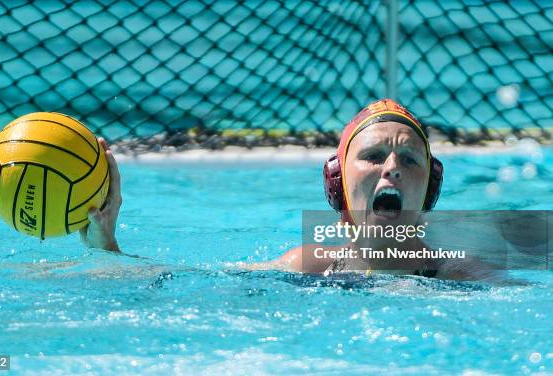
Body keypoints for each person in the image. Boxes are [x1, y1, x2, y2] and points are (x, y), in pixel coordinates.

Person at [81, 99, 498, 281]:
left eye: (410, 160)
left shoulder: (461, 274)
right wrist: (107, 246)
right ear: (337, 183)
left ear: (430, 188)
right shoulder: (310, 267)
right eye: (373, 156)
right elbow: (182, 281)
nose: (391, 169)